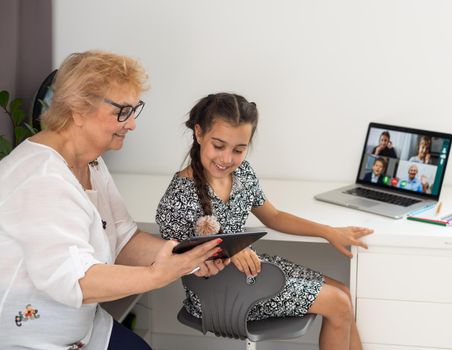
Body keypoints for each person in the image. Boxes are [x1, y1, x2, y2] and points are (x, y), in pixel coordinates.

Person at [0, 51, 228, 350]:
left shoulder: (90, 162)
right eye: (122, 111)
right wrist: (155, 276)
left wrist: (188, 259)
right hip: (30, 339)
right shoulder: (42, 180)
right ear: (78, 109)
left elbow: (123, 238)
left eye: (135, 110)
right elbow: (78, 281)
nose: (132, 124)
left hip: (85, 330)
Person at [155, 93, 373, 350]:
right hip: (219, 295)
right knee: (338, 303)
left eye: (238, 149)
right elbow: (173, 262)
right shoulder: (179, 195)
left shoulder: (243, 173)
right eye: (219, 145)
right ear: (199, 133)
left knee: (344, 293)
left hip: (252, 274)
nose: (227, 158)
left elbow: (274, 216)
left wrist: (328, 232)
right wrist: (227, 251)